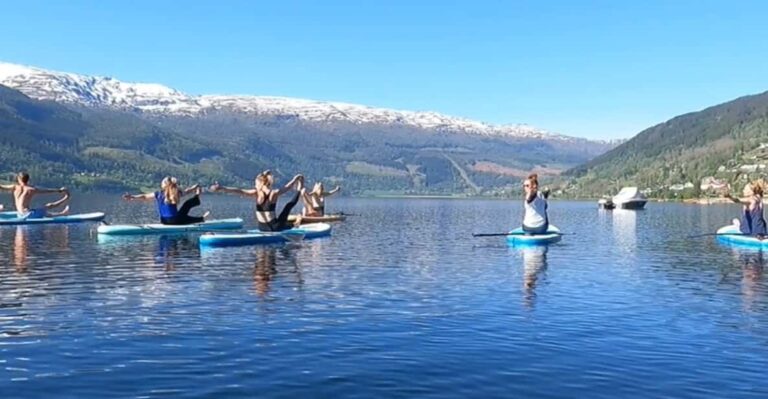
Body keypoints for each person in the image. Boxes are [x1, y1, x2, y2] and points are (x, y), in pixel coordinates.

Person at [210, 171, 304, 231]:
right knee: (288, 207)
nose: (255, 185)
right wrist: (222, 188)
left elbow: (239, 191)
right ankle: (295, 222)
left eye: (256, 183)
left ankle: (294, 224)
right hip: (272, 227)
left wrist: (223, 188)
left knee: (287, 208)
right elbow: (287, 188)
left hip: (262, 228)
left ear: (262, 183)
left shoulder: (260, 193)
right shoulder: (272, 193)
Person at [123, 177, 210, 225]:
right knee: (186, 205)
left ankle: (201, 218)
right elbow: (186, 192)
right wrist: (195, 190)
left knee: (183, 212)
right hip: (176, 221)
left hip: (164, 221)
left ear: (164, 185)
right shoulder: (176, 193)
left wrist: (132, 197)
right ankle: (201, 219)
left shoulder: (158, 194)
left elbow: (144, 196)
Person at [0, 172, 70, 218]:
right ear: (28, 180)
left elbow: (2, 187)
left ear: (18, 179)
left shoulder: (14, 187)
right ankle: (65, 205)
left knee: (42, 211)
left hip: (20, 215)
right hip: (27, 215)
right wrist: (59, 190)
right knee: (46, 207)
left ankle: (63, 212)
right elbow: (46, 191)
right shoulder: (31, 189)